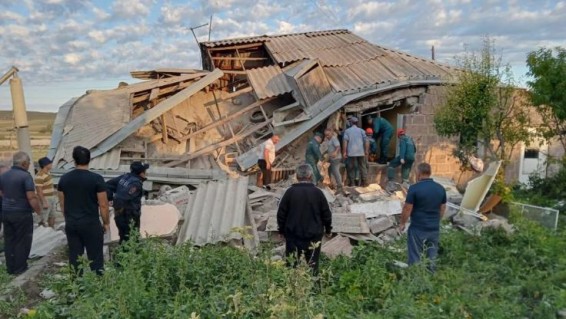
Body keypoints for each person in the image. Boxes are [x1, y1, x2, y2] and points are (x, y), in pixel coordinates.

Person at [58, 146, 110, 275]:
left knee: (75, 257)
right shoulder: (96, 179)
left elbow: (62, 204)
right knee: (96, 257)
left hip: (72, 224)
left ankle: (77, 288)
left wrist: (68, 219)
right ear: (89, 159)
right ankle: (97, 286)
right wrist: (106, 223)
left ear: (74, 160)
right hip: (91, 224)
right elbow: (103, 204)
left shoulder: (64, 179)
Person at [277, 164, 332, 276]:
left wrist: (281, 230)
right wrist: (328, 229)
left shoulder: (290, 192)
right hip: (314, 236)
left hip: (293, 235)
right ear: (310, 175)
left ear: (297, 176)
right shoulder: (318, 193)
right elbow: (326, 213)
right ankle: (314, 290)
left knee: (291, 264)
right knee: (313, 265)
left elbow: (281, 214)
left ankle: (292, 289)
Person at [399, 163, 446, 272]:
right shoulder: (440, 188)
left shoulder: (414, 189)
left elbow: (407, 208)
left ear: (418, 173)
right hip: (434, 228)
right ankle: (431, 275)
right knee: (432, 255)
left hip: (418, 228)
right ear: (429, 173)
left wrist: (402, 223)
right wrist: (436, 220)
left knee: (415, 254)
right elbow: (443, 207)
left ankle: (415, 276)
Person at [0, 152, 42, 275]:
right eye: (29, 163)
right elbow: (31, 197)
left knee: (9, 240)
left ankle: (10, 268)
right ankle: (20, 268)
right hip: (22, 213)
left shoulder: (4, 176)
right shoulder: (25, 176)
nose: (29, 165)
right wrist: (38, 211)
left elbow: (1, 193)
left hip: (6, 212)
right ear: (24, 163)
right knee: (22, 241)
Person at [106, 162, 149, 244]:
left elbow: (107, 185)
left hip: (120, 216)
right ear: (141, 173)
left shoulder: (125, 177)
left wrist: (110, 199)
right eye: (145, 171)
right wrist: (115, 203)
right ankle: (127, 256)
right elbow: (123, 198)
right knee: (131, 240)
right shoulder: (136, 184)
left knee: (124, 239)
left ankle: (123, 255)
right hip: (129, 217)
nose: (146, 173)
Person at [342, 116, 369, 187]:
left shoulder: (347, 131)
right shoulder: (362, 131)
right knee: (362, 166)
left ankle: (352, 183)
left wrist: (344, 152)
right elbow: (366, 141)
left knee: (351, 167)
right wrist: (366, 151)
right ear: (357, 123)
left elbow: (345, 142)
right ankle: (364, 182)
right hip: (361, 152)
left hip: (351, 152)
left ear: (351, 123)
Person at [35, 157, 58, 228]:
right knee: (43, 218)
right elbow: (39, 191)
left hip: (52, 197)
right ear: (45, 165)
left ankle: (51, 230)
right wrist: (44, 202)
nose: (51, 164)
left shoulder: (48, 173)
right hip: (46, 198)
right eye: (50, 163)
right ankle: (42, 232)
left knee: (52, 215)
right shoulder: (40, 176)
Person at [323, 128, 343, 193]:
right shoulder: (328, 140)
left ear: (331, 133)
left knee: (336, 172)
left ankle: (340, 187)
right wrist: (325, 153)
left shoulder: (334, 139)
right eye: (326, 135)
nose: (327, 136)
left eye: (328, 135)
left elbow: (338, 147)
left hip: (336, 158)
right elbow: (329, 148)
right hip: (331, 158)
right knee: (330, 171)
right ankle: (332, 185)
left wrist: (335, 152)